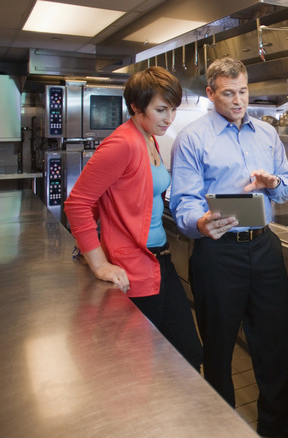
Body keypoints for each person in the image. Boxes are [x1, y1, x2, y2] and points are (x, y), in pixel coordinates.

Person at [169, 57, 288, 437]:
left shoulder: (267, 134)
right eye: (228, 93)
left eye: (243, 91)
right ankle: (221, 429)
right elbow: (184, 203)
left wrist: (273, 182)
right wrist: (201, 222)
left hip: (264, 247)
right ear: (211, 93)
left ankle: (276, 430)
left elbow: (287, 186)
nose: (238, 100)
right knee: (219, 350)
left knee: (275, 348)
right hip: (217, 253)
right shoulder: (192, 138)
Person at [64, 66, 203, 371]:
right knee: (138, 363)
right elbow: (77, 204)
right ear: (136, 107)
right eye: (161, 110)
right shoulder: (122, 143)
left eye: (173, 109)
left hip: (160, 261)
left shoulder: (149, 138)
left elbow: (127, 194)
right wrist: (98, 262)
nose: (169, 118)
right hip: (134, 267)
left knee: (188, 353)